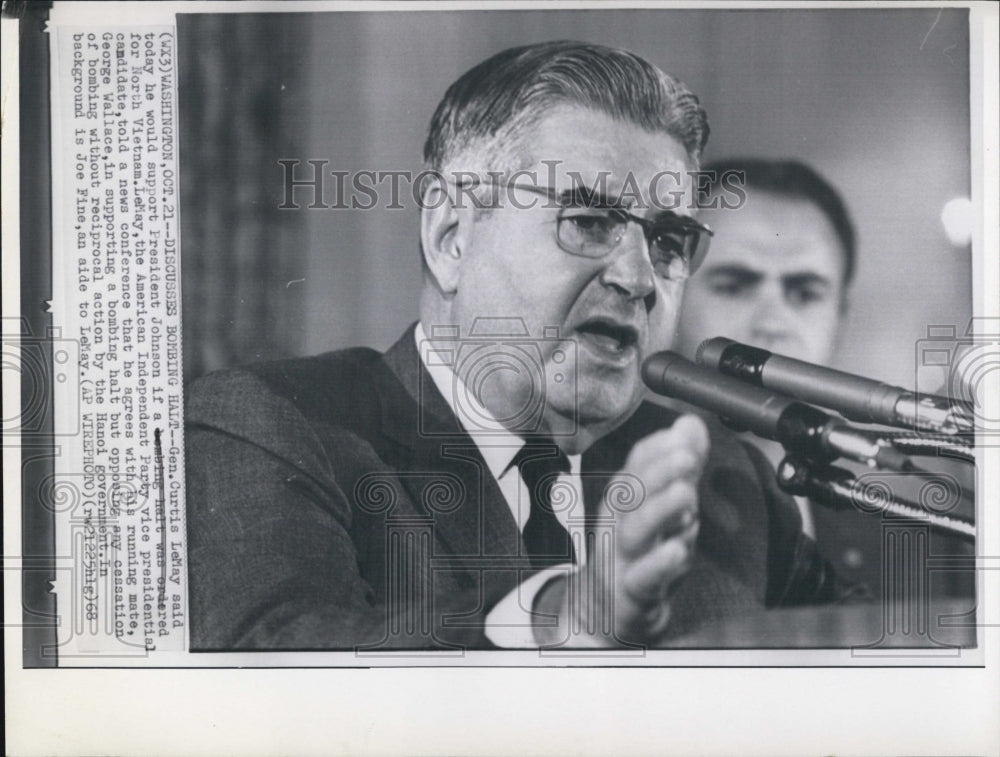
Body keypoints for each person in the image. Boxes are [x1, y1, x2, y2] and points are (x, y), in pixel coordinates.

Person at [184, 42, 852, 651]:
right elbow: (273, 669)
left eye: (669, 241)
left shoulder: (726, 481)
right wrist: (565, 617)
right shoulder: (272, 424)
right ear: (451, 236)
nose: (639, 278)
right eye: (589, 221)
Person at [673, 158, 971, 596]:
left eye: (804, 293)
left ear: (840, 319)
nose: (772, 322)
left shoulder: (930, 556)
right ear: (670, 298)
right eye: (733, 285)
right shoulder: (584, 521)